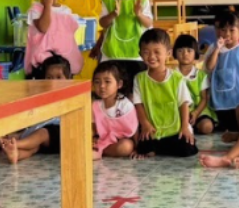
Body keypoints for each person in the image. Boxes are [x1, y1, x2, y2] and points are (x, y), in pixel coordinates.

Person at [133, 28, 199, 158]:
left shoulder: (177, 78)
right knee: (145, 149)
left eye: (157, 52)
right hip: (152, 129)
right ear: (140, 54)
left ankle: (162, 147)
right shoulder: (139, 79)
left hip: (174, 129)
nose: (151, 57)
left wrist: (185, 126)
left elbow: (184, 104)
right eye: (146, 52)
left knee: (187, 149)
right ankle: (157, 148)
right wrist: (145, 124)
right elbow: (138, 104)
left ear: (168, 53)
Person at [1, 55, 73, 163]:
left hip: (60, 136)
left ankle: (16, 143)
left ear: (68, 80)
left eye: (58, 77)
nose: (53, 82)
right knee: (34, 147)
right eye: (49, 78)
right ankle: (16, 154)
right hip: (40, 139)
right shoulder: (42, 97)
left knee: (42, 134)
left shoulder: (71, 96)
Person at [204, 9, 239, 138]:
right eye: (223, 30)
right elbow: (209, 67)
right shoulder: (214, 48)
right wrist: (217, 49)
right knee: (223, 126)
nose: (227, 34)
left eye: (232, 30)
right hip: (220, 99)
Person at [99, 0, 152, 73]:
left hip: (136, 54)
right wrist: (113, 15)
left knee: (135, 83)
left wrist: (139, 14)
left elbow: (148, 23)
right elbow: (102, 23)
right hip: (112, 54)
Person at [26, 0, 84, 77]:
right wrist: (47, 6)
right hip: (42, 64)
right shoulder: (35, 9)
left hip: (63, 63)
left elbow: (70, 36)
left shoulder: (66, 11)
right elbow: (43, 27)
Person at [91, 61, 138, 159]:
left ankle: (102, 151)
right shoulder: (95, 105)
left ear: (119, 84)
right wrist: (93, 138)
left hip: (120, 142)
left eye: (107, 81)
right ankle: (99, 150)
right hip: (101, 140)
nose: (102, 86)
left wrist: (138, 149)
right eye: (97, 82)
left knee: (126, 146)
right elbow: (93, 127)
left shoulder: (125, 105)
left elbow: (135, 129)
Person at [174, 34, 215, 135]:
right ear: (174, 53)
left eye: (189, 51)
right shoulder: (171, 75)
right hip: (178, 111)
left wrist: (196, 113)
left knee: (207, 127)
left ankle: (193, 126)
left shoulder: (201, 75)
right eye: (180, 51)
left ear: (195, 53)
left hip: (198, 110)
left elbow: (204, 99)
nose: (185, 54)